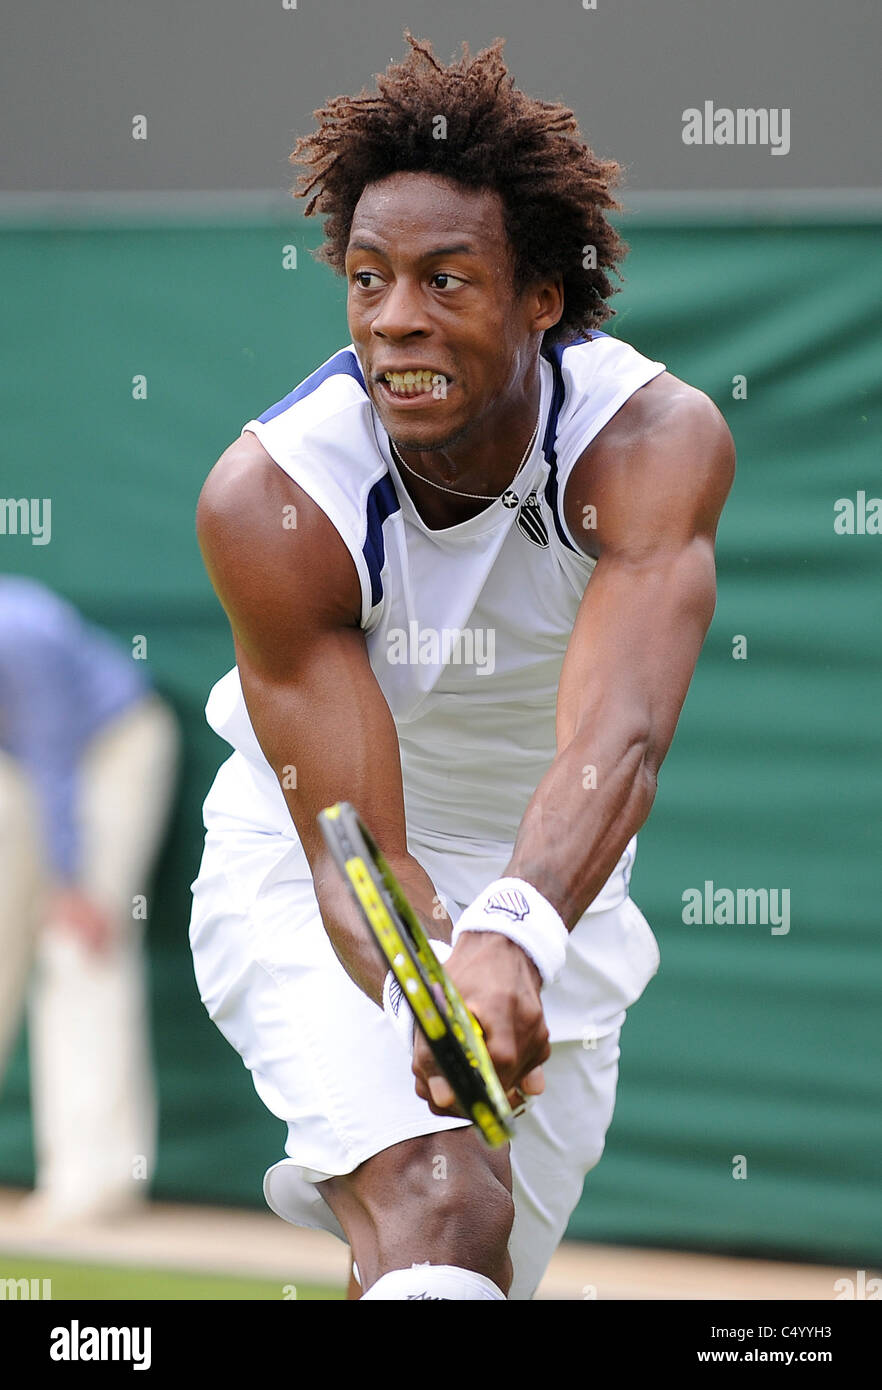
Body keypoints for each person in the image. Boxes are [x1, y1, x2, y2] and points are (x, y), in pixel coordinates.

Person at [189, 33, 734, 1300]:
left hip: (563, 886)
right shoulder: (274, 501)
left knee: (458, 1269)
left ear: (542, 296)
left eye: (447, 280)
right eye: (368, 278)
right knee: (440, 1202)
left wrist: (518, 932)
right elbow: (349, 850)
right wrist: (437, 986)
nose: (395, 319)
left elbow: (622, 733)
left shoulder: (650, 443)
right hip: (320, 871)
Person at [0, 575, 179, 1224]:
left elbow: (54, 761)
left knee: (79, 951)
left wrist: (71, 885)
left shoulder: (22, 630)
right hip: (18, 767)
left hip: (111, 752)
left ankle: (95, 1180)